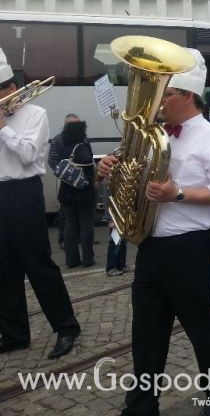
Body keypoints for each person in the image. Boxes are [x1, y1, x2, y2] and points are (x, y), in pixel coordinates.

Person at [98, 49, 210, 416]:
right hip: (151, 245)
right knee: (146, 333)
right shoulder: (155, 134)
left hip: (190, 248)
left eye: (166, 93)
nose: (158, 101)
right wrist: (114, 167)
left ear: (187, 96)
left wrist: (177, 193)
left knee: (199, 325)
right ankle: (141, 405)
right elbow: (133, 170)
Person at [0, 49, 81, 359]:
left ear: (10, 88)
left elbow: (30, 155)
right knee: (3, 267)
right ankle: (14, 333)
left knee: (37, 263)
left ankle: (66, 327)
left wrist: (3, 128)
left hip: (24, 192)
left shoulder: (36, 114)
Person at [56, 119, 97, 268]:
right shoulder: (81, 147)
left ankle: (71, 260)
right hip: (83, 191)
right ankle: (88, 258)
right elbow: (87, 162)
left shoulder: (64, 147)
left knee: (70, 224)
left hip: (66, 191)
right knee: (86, 223)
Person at [48, 113, 82, 249]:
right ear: (66, 125)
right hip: (67, 182)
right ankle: (63, 240)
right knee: (65, 213)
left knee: (80, 212)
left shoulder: (82, 139)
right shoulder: (58, 140)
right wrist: (64, 174)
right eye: (74, 124)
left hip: (81, 181)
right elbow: (52, 160)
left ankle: (79, 237)